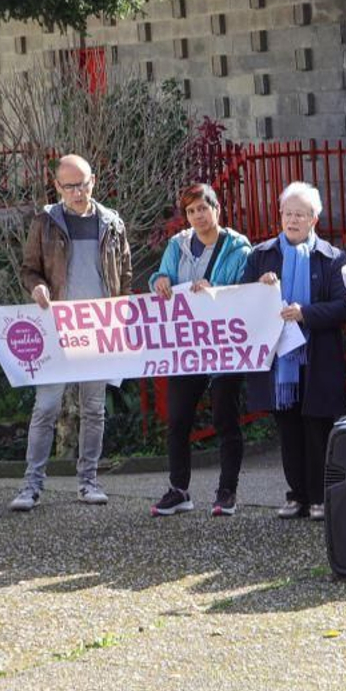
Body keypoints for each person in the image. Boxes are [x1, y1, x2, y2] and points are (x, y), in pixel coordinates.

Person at [11, 154, 133, 511]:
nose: (78, 192)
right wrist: (36, 289)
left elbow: (124, 274)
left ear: (93, 180)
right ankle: (31, 486)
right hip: (56, 329)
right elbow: (28, 269)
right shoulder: (45, 222)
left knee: (94, 409)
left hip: (98, 330)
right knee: (45, 407)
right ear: (57, 187)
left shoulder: (112, 222)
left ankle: (88, 481)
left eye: (84, 184)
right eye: (70, 186)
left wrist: (120, 312)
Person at [243, 182, 346, 519]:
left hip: (318, 356)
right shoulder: (261, 255)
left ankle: (320, 497)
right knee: (288, 429)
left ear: (314, 219)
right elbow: (244, 303)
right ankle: (296, 496)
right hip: (279, 360)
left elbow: (343, 307)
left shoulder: (332, 258)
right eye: (287, 213)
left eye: (300, 215)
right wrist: (260, 292)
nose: (292, 220)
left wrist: (304, 312)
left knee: (318, 428)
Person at [148, 183, 253, 518]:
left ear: (216, 209)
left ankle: (227, 492)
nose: (197, 216)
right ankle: (179, 490)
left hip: (224, 343)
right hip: (188, 346)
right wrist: (159, 281)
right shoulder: (177, 245)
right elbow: (162, 276)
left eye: (202, 209)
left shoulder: (238, 247)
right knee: (178, 419)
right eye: (191, 211)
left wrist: (216, 291)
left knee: (225, 417)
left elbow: (244, 289)